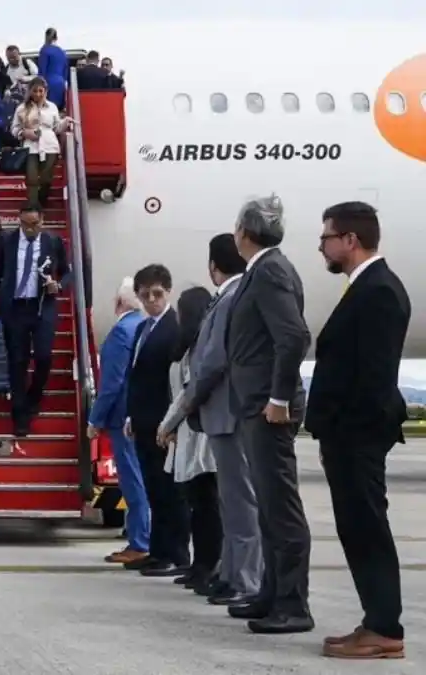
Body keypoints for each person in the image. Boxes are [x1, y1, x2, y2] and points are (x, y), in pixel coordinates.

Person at [306, 201, 409, 659]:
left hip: (358, 439)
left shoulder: (380, 290)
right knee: (357, 529)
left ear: (350, 240)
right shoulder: (364, 287)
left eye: (327, 237)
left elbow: (374, 378)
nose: (322, 246)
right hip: (348, 437)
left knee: (367, 528)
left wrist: (346, 435)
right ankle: (375, 620)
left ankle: (386, 627)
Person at [224, 194, 313, 634]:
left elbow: (294, 336)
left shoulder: (271, 271)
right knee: (267, 504)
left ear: (244, 231)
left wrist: (278, 399)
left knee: (281, 507)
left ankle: (293, 605)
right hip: (255, 404)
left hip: (267, 408)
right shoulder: (262, 270)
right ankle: (271, 593)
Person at [182, 234, 263, 607]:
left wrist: (192, 399)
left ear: (214, 266)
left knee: (240, 502)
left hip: (226, 413)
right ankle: (232, 573)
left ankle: (245, 579)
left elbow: (212, 359)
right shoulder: (230, 296)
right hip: (223, 414)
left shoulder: (230, 298)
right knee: (232, 502)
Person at [124, 263, 190, 577]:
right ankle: (158, 550)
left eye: (157, 294)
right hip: (143, 421)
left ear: (168, 292)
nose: (152, 300)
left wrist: (171, 423)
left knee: (168, 490)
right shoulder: (142, 328)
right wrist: (130, 415)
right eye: (145, 295)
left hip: (163, 423)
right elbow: (135, 377)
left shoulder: (173, 328)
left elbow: (174, 382)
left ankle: (175, 554)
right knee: (153, 488)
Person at [0, 202, 71, 436]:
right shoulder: (7, 241)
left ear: (42, 222)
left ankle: (35, 394)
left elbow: (68, 272)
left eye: (36, 224)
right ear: (19, 221)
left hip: (42, 307)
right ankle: (19, 415)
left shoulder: (53, 242)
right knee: (17, 361)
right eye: (26, 224)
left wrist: (59, 285)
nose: (31, 229)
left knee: (43, 357)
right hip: (14, 308)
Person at [157, 286, 221, 594]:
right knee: (197, 503)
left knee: (206, 504)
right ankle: (200, 564)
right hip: (185, 433)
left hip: (198, 434)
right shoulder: (187, 346)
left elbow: (188, 392)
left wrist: (167, 423)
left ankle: (209, 565)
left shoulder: (200, 347)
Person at [88, 277, 149, 565]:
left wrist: (95, 419)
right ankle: (142, 534)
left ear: (119, 303)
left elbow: (110, 384)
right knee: (144, 477)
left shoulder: (120, 332)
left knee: (132, 479)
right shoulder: (144, 326)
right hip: (140, 413)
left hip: (121, 418)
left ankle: (139, 542)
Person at [10, 77, 73, 209]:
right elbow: (14, 128)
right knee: (32, 178)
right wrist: (24, 133)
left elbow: (56, 128)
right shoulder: (22, 108)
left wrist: (65, 122)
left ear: (46, 91)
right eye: (35, 91)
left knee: (46, 179)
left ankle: (41, 202)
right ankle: (33, 207)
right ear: (30, 91)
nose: (38, 94)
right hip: (30, 146)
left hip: (50, 146)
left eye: (41, 91)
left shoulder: (52, 107)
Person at [37, 28, 68, 111]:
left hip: (49, 82)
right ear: (56, 37)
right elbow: (65, 71)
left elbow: (42, 70)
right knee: (58, 110)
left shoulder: (45, 50)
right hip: (61, 83)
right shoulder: (62, 52)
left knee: (47, 110)